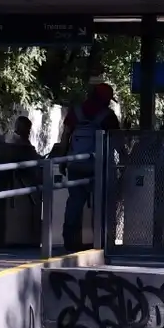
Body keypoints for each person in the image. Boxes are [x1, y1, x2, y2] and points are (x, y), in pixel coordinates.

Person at [60, 82, 120, 251]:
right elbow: (117, 141)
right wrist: (125, 159)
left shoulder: (76, 112)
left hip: (75, 164)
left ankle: (70, 241)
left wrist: (63, 160)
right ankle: (102, 241)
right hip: (98, 167)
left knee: (75, 202)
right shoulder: (108, 116)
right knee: (102, 203)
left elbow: (65, 136)